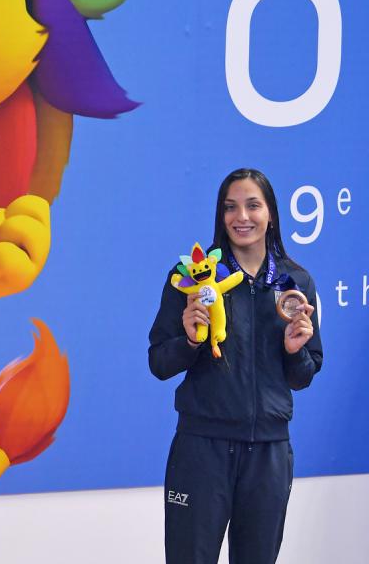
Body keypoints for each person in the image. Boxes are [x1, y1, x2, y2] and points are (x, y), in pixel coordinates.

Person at [148, 168, 323, 564]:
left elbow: (304, 375)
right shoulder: (191, 278)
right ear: (220, 215)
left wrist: (295, 350)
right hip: (201, 449)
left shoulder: (296, 282)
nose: (241, 217)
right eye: (230, 207)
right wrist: (191, 340)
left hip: (269, 453)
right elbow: (159, 361)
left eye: (252, 205)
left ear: (271, 214)